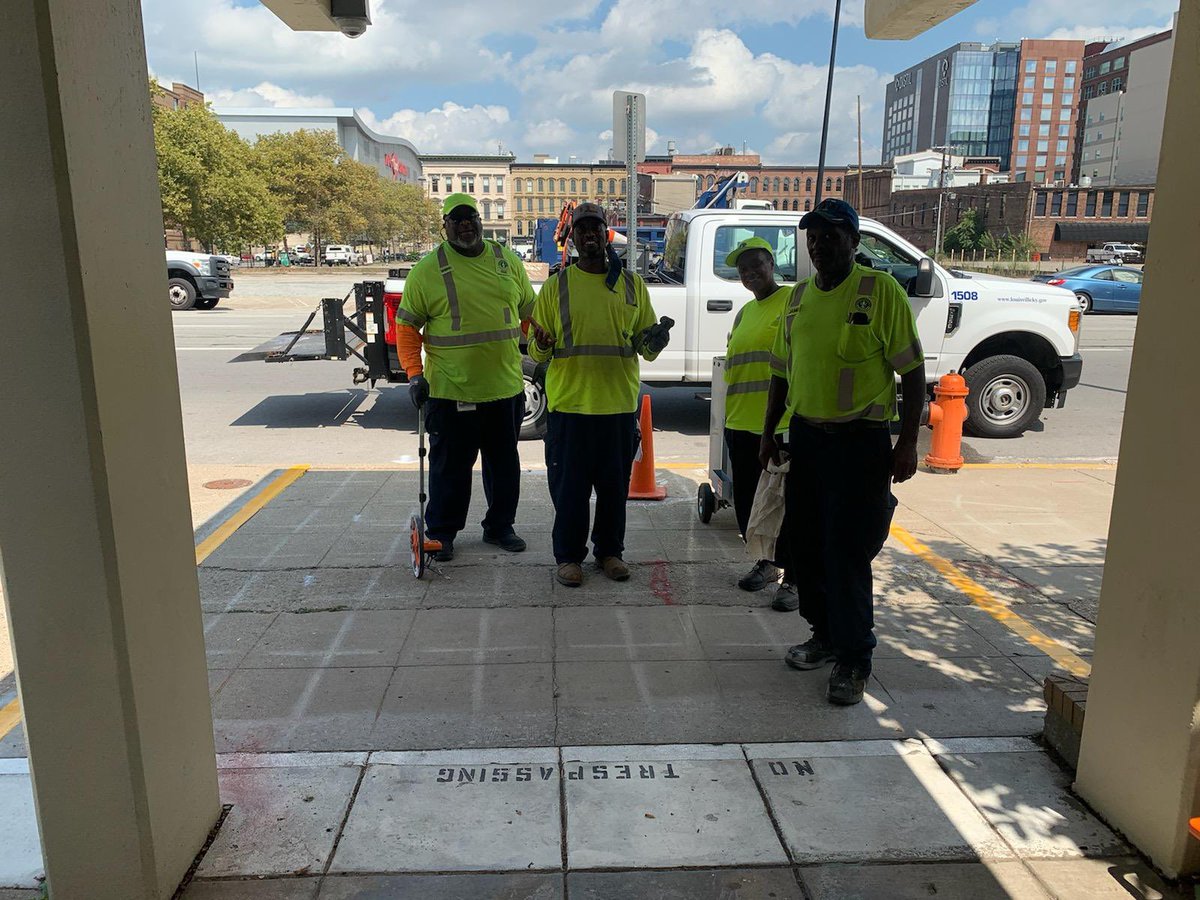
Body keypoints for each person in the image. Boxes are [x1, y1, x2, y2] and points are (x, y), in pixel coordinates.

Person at [761, 198, 925, 706]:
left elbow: (913, 371)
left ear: (854, 241)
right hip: (808, 441)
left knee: (848, 554)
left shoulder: (881, 293)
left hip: (861, 444)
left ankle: (855, 658)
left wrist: (909, 441)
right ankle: (825, 635)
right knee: (805, 551)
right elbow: (781, 373)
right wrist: (769, 433)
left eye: (831, 235)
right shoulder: (798, 298)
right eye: (813, 236)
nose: (820, 243)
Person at [527, 202, 671, 587]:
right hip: (570, 406)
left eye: (596, 228)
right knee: (570, 491)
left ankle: (610, 552)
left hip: (618, 406)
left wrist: (657, 340)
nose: (589, 235)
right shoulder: (557, 287)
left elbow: (645, 347)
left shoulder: (631, 285)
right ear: (572, 237)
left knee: (613, 491)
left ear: (606, 234)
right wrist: (540, 343)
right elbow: (536, 350)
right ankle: (569, 558)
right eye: (582, 229)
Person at [393, 193, 535, 561]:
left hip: (504, 387)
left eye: (470, 216)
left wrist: (543, 343)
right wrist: (413, 374)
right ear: (445, 227)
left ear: (480, 219)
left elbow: (529, 313)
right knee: (450, 468)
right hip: (451, 389)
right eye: (456, 219)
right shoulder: (427, 270)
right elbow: (407, 327)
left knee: (504, 466)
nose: (466, 224)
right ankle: (440, 532)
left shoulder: (507, 260)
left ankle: (500, 526)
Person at [721, 237, 797, 611]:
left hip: (778, 425)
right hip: (740, 422)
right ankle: (767, 565)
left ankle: (795, 578)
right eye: (743, 269)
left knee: (787, 505)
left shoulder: (792, 303)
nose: (750, 274)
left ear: (772, 264)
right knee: (753, 504)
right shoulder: (745, 313)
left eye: (757, 265)